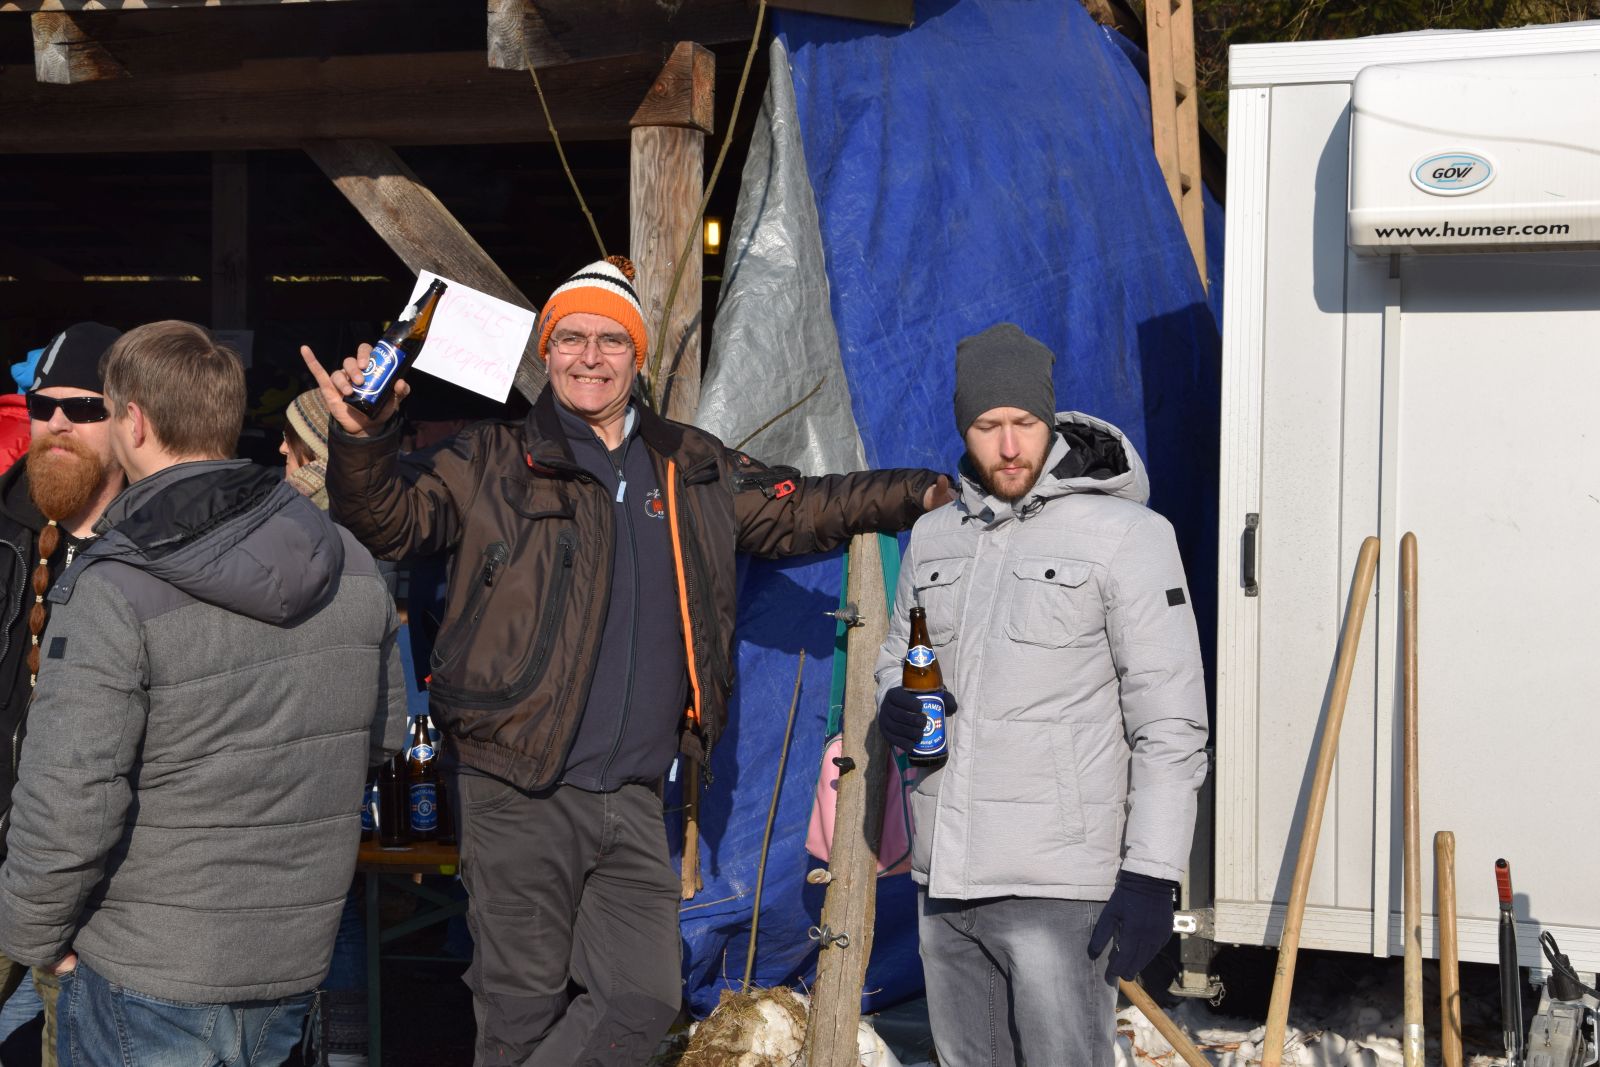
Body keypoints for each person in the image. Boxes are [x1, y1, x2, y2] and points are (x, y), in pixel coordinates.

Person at [304, 256, 954, 1066]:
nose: (590, 356)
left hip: (637, 795)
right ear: (548, 349)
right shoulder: (494, 458)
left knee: (642, 998)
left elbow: (802, 509)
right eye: (570, 338)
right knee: (521, 1008)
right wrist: (363, 437)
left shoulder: (689, 465)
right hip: (518, 786)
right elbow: (390, 521)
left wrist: (922, 491)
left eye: (611, 340)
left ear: (636, 356)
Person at [0, 320, 411, 1066]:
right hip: (286, 962)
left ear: (133, 422)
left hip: (147, 967)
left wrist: (31, 935)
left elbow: (69, 794)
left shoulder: (113, 583)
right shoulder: (350, 560)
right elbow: (379, 741)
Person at [874, 323, 1209, 1067]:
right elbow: (897, 657)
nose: (1008, 446)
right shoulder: (934, 536)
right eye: (986, 426)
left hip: (1059, 883)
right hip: (945, 875)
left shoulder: (1128, 536)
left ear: (1050, 420)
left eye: (1024, 422)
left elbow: (1170, 721)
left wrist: (1153, 871)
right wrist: (894, 699)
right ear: (963, 428)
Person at [0, 322, 126, 1067]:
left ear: (131, 420)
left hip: (100, 884)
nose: (56, 423)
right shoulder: (6, 525)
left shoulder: (159, 548)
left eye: (82, 409)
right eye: (42, 406)